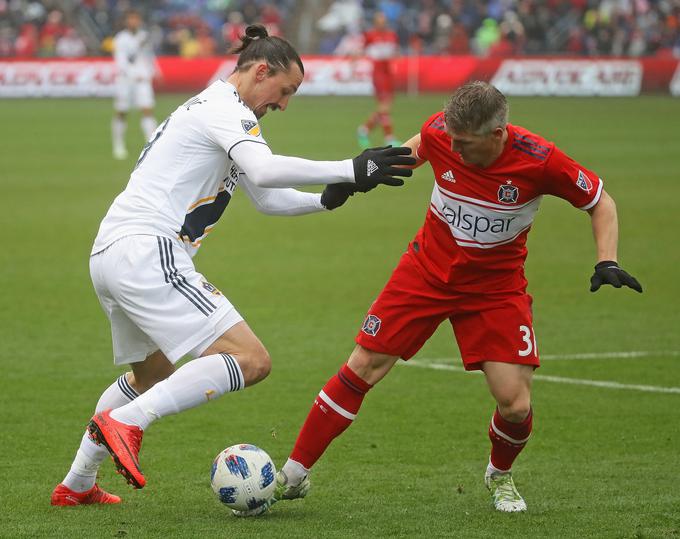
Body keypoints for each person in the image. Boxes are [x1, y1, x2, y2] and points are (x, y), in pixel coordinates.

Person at [50, 24, 415, 506]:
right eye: (285, 91)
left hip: (112, 253)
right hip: (147, 250)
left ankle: (76, 483)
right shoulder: (223, 108)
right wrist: (352, 167)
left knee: (150, 375)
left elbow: (265, 196)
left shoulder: (219, 113)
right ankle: (128, 422)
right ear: (261, 70)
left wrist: (325, 201)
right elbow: (265, 169)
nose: (283, 104)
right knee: (252, 359)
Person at [260, 81, 643, 515]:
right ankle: (293, 474)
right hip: (425, 273)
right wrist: (355, 179)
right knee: (363, 364)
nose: (454, 149)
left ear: (497, 134)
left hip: (494, 290)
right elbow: (415, 149)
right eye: (451, 139)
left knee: (515, 404)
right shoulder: (443, 133)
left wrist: (606, 261)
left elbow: (600, 201)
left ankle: (499, 474)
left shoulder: (541, 161)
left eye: (465, 143)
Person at [111, 10, 158, 160]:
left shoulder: (144, 36)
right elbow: (121, 61)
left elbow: (149, 56)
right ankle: (118, 145)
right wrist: (133, 74)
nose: (134, 22)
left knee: (147, 110)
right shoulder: (120, 38)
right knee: (122, 112)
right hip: (125, 81)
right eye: (131, 19)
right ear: (126, 21)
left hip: (143, 80)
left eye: (136, 19)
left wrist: (154, 71)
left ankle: (151, 145)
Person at [357, 11, 400, 149]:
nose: (381, 23)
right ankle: (389, 138)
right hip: (378, 74)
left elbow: (395, 52)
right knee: (384, 107)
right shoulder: (370, 35)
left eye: (383, 20)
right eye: (379, 20)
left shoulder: (391, 35)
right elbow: (361, 50)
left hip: (388, 73)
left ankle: (364, 130)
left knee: (384, 108)